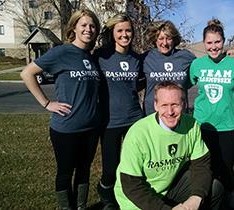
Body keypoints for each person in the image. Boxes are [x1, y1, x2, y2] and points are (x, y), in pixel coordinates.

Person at [20, 9, 101, 209]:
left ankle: (80, 206)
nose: (88, 29)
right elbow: (27, 73)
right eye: (83, 25)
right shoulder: (62, 52)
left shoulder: (91, 57)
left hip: (91, 128)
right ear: (74, 27)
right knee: (65, 172)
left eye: (92, 26)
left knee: (84, 171)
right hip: (66, 128)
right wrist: (46, 103)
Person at [114, 81, 224, 210]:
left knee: (215, 188)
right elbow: (131, 184)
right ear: (155, 105)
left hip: (169, 187)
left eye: (175, 105)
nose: (170, 111)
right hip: (137, 198)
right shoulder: (138, 133)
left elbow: (201, 164)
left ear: (183, 104)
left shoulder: (192, 125)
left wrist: (196, 197)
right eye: (164, 105)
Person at [189, 19, 234, 209]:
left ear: (223, 41)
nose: (213, 47)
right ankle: (205, 196)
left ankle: (229, 192)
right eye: (209, 43)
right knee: (203, 165)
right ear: (204, 44)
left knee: (225, 166)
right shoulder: (197, 65)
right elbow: (181, 86)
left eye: (217, 42)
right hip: (202, 124)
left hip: (226, 124)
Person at [93, 13, 143, 209]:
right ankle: (106, 192)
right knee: (110, 166)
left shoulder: (137, 58)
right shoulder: (101, 56)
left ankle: (128, 194)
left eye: (128, 30)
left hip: (134, 119)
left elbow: (138, 84)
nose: (124, 34)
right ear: (113, 33)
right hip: (109, 121)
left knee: (133, 164)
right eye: (120, 30)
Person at [141, 20, 195, 115]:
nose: (165, 43)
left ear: (174, 39)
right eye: (161, 38)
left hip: (178, 115)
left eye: (168, 38)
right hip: (152, 114)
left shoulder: (186, 57)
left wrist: (224, 56)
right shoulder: (146, 58)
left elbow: (203, 68)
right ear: (155, 39)